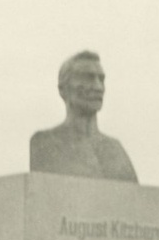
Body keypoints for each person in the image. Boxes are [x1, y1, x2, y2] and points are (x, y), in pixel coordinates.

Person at [30, 50, 139, 182]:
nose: (98, 87)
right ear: (63, 89)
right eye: (87, 78)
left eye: (101, 79)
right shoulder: (45, 143)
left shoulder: (115, 149)